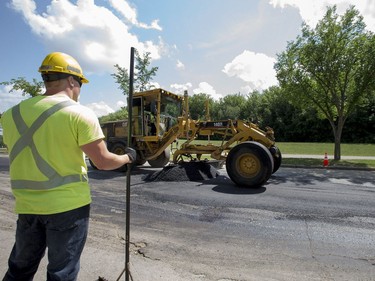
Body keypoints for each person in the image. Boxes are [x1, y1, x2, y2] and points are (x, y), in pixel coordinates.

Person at [1, 52, 136, 281]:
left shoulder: (10, 115)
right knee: (61, 274)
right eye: (80, 84)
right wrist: (127, 158)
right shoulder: (79, 114)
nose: (79, 90)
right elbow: (102, 162)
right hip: (68, 209)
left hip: (27, 206)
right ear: (73, 80)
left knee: (19, 270)